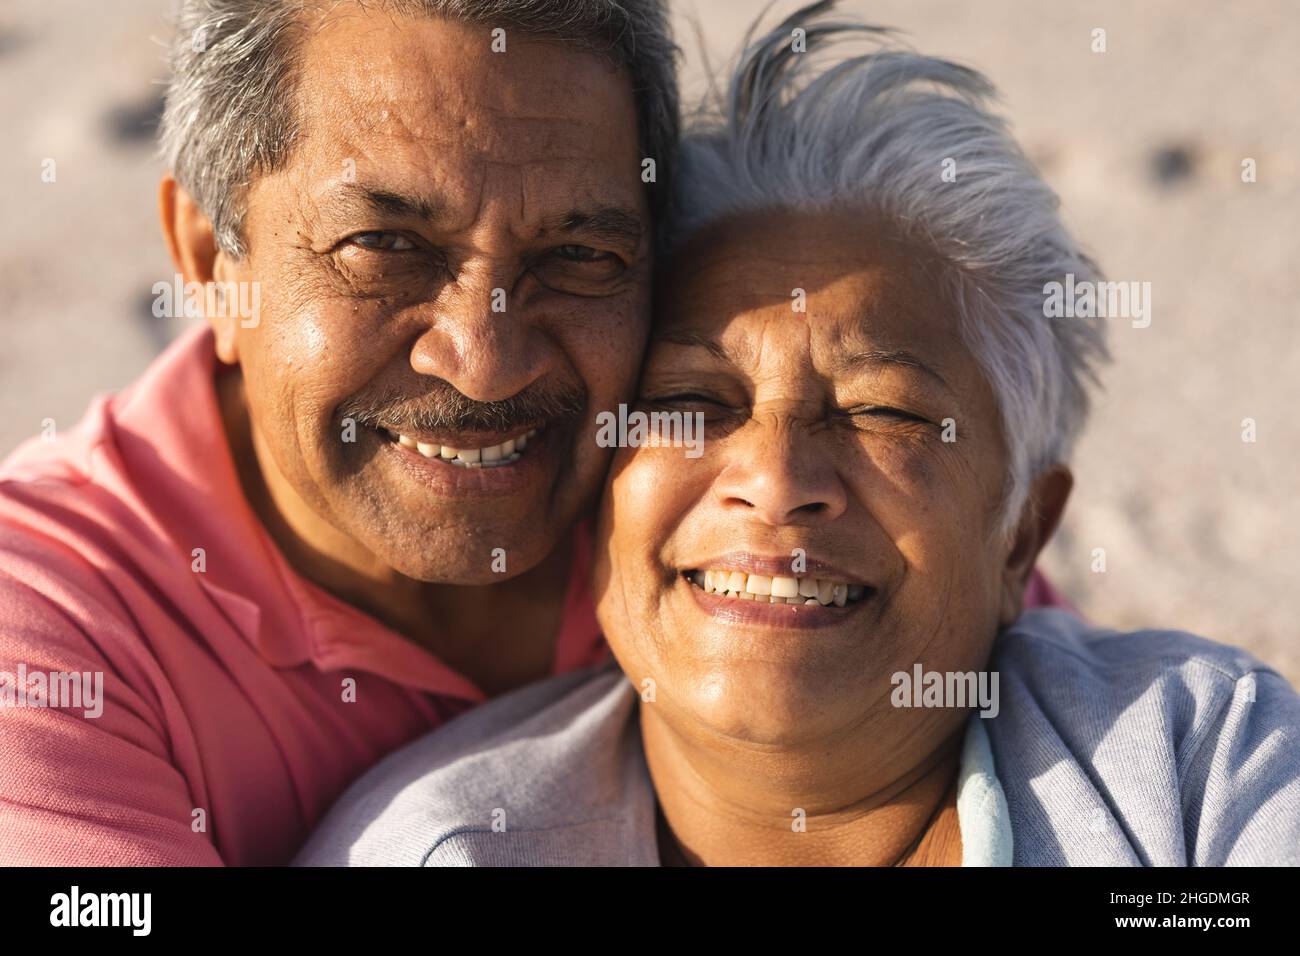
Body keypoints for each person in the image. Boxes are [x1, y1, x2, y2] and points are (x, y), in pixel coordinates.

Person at [293, 6, 1300, 867]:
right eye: (694, 399)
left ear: (1021, 536)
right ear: (602, 482)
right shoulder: (441, 846)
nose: (774, 480)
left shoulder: (1191, 768)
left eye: (883, 411)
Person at [0, 0, 678, 865]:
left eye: (578, 258)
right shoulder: (49, 632)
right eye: (385, 246)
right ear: (211, 266)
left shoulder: (739, 495)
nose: (485, 361)